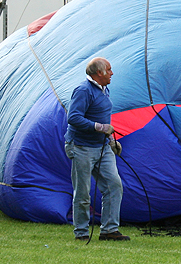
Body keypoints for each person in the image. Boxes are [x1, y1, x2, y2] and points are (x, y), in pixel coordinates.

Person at [65, 57, 127, 242]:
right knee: (83, 193)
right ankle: (82, 232)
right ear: (99, 73)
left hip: (102, 147)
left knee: (114, 185)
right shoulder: (83, 91)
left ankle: (109, 230)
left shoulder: (104, 89)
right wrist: (100, 128)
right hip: (81, 147)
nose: (112, 73)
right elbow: (73, 117)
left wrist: (110, 140)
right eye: (109, 69)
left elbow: (101, 117)